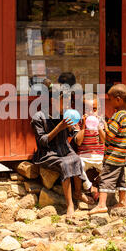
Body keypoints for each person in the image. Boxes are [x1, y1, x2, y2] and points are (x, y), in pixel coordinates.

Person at [31, 87, 94, 217]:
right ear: (53, 100)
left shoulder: (65, 114)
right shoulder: (39, 117)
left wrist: (72, 126)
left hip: (64, 149)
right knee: (65, 163)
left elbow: (72, 134)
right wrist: (59, 127)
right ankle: (69, 204)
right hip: (48, 153)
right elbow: (42, 141)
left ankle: (78, 193)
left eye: (68, 102)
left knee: (76, 159)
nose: (67, 105)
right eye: (64, 101)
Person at [89, 84, 126, 215]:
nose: (109, 102)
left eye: (110, 99)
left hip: (112, 156)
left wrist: (99, 125)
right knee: (120, 178)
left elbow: (108, 137)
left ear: (118, 99)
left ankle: (102, 204)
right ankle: (123, 201)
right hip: (121, 156)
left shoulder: (118, 116)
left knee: (105, 178)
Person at [74, 93, 106, 200]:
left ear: (99, 110)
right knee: (77, 164)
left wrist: (98, 125)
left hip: (99, 155)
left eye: (94, 109)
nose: (91, 112)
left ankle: (98, 185)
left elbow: (104, 140)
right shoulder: (79, 122)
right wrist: (83, 125)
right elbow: (78, 142)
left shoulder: (101, 121)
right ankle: (89, 186)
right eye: (88, 109)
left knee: (109, 167)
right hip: (84, 155)